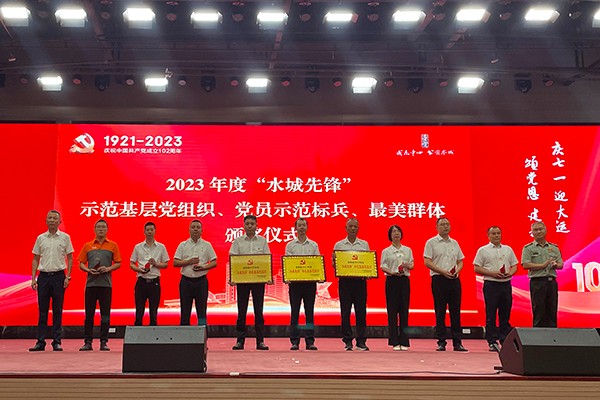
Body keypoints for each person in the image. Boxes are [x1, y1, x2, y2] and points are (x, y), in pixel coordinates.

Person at [29, 210, 74, 352]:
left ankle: (57, 341)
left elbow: (70, 258)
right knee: (42, 310)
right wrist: (33, 278)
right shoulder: (40, 238)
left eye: (55, 218)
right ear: (46, 220)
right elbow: (35, 259)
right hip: (43, 277)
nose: (52, 220)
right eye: (50, 218)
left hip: (59, 276)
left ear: (60, 221)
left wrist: (68, 277)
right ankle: (40, 342)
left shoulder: (65, 238)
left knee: (57, 309)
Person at [424, 217, 468, 352]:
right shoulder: (431, 242)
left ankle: (457, 342)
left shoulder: (454, 243)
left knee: (456, 311)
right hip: (439, 279)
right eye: (442, 224)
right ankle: (441, 341)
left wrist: (457, 271)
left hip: (454, 280)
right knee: (440, 311)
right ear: (436, 227)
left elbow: (460, 261)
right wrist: (443, 271)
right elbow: (427, 261)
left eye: (447, 224)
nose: (445, 227)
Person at [77, 219, 121, 351]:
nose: (101, 229)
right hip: (91, 285)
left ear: (107, 230)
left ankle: (104, 342)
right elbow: (81, 263)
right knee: (89, 315)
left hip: (106, 285)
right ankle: (88, 342)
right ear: (94, 230)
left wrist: (107, 269)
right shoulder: (88, 246)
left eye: (103, 227)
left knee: (105, 315)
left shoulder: (112, 245)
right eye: (98, 227)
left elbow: (118, 263)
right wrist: (88, 270)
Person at [473, 226, 518, 352]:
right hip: (491, 285)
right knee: (491, 314)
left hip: (506, 284)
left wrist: (510, 273)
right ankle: (492, 341)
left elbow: (514, 265)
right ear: (488, 236)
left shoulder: (508, 249)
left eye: (498, 233)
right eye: (493, 233)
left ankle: (505, 340)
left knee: (505, 314)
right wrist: (492, 273)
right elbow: (477, 268)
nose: (496, 235)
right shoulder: (483, 250)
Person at [230, 215, 271, 350]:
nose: (249, 226)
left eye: (252, 224)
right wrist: (233, 277)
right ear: (243, 226)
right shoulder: (237, 242)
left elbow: (267, 259)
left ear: (256, 225)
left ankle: (260, 341)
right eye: (247, 224)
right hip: (243, 281)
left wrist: (268, 276)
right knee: (241, 311)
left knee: (259, 311)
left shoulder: (262, 241)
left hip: (258, 281)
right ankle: (240, 341)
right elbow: (233, 259)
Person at [333, 217, 370, 351]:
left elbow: (368, 263)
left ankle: (361, 341)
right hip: (345, 282)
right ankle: (347, 341)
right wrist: (335, 262)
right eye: (350, 226)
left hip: (360, 282)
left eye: (355, 226)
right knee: (345, 312)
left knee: (361, 312)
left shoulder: (364, 245)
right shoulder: (339, 245)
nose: (353, 228)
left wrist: (369, 271)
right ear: (346, 228)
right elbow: (335, 265)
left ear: (358, 228)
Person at [285, 218, 320, 351]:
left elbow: (317, 263)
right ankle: (294, 341)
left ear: (307, 227)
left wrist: (318, 275)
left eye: (304, 225)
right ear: (295, 228)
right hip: (295, 284)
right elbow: (288, 264)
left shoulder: (313, 245)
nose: (301, 228)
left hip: (310, 284)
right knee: (295, 312)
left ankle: (310, 341)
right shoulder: (290, 246)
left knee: (309, 313)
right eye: (299, 226)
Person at [174, 219, 217, 326]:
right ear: (189, 230)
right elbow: (175, 262)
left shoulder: (207, 245)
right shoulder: (183, 245)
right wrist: (189, 262)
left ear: (202, 230)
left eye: (198, 227)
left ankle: (202, 333)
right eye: (193, 227)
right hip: (186, 282)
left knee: (202, 311)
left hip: (201, 282)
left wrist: (203, 267)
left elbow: (214, 262)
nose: (195, 229)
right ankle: (185, 333)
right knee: (185, 311)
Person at [522, 221, 563, 327]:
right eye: (536, 230)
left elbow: (561, 264)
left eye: (541, 229)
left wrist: (555, 265)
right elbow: (525, 264)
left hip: (551, 282)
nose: (539, 232)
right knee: (539, 311)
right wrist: (543, 265)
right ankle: (538, 335)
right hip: (537, 282)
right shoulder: (528, 248)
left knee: (552, 310)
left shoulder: (554, 247)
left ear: (546, 231)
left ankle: (552, 335)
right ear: (532, 232)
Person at [380, 225, 414, 351]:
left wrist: (408, 265)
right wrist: (392, 272)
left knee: (404, 311)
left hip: (404, 280)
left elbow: (412, 264)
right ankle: (394, 341)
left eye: (398, 231)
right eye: (393, 232)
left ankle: (404, 341)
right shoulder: (386, 251)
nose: (396, 234)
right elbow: (382, 266)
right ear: (390, 235)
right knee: (392, 311)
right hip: (392, 280)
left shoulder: (407, 250)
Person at [130, 221, 169, 326]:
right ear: (144, 232)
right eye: (147, 230)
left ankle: (153, 333)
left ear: (155, 231)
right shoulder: (138, 247)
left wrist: (155, 264)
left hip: (154, 282)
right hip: (141, 281)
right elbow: (132, 263)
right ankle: (138, 333)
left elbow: (166, 264)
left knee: (153, 312)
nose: (149, 232)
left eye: (152, 230)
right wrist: (139, 269)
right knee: (139, 311)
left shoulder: (161, 247)